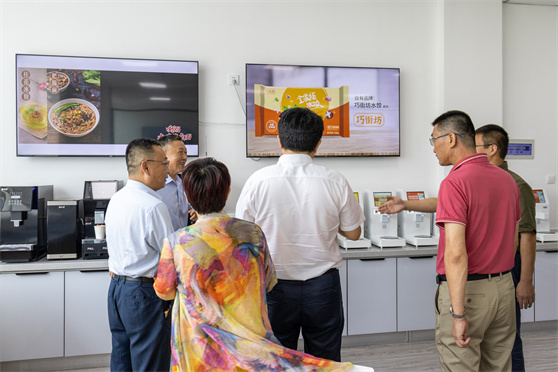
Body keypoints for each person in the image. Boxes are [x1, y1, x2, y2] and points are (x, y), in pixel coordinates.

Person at [153, 157, 362, 371]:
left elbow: (164, 292)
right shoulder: (252, 234)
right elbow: (269, 281)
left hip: (200, 353)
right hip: (249, 351)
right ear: (227, 191)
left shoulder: (176, 242)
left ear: (188, 195)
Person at [378, 123, 536, 371]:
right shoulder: (508, 180)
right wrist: (406, 204)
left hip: (471, 293)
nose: (433, 149)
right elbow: (514, 238)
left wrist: (459, 314)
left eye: (434, 140)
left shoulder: (454, 182)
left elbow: (455, 256)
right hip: (504, 289)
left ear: (451, 138)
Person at [235, 107, 365, 362]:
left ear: (279, 140)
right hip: (323, 286)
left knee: (277, 360)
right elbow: (354, 233)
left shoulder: (258, 181)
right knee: (325, 360)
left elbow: (243, 237)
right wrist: (330, 220)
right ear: (318, 143)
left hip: (274, 285)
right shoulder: (335, 180)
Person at [105, 138, 174, 372]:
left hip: (117, 290)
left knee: (122, 359)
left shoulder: (117, 198)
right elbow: (170, 258)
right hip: (144, 294)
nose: (168, 170)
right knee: (150, 363)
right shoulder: (153, 206)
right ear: (145, 166)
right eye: (164, 163)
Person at [475, 124, 536, 372]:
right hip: (488, 269)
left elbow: (528, 237)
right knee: (488, 341)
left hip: (511, 268)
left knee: (509, 341)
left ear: (492, 149)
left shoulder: (517, 185)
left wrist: (525, 282)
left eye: (476, 146)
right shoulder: (480, 179)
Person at [157, 134, 197, 231]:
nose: (184, 157)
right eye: (180, 152)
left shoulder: (183, 183)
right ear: (164, 155)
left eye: (186, 153)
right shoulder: (156, 187)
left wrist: (195, 212)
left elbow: (190, 207)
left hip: (182, 241)